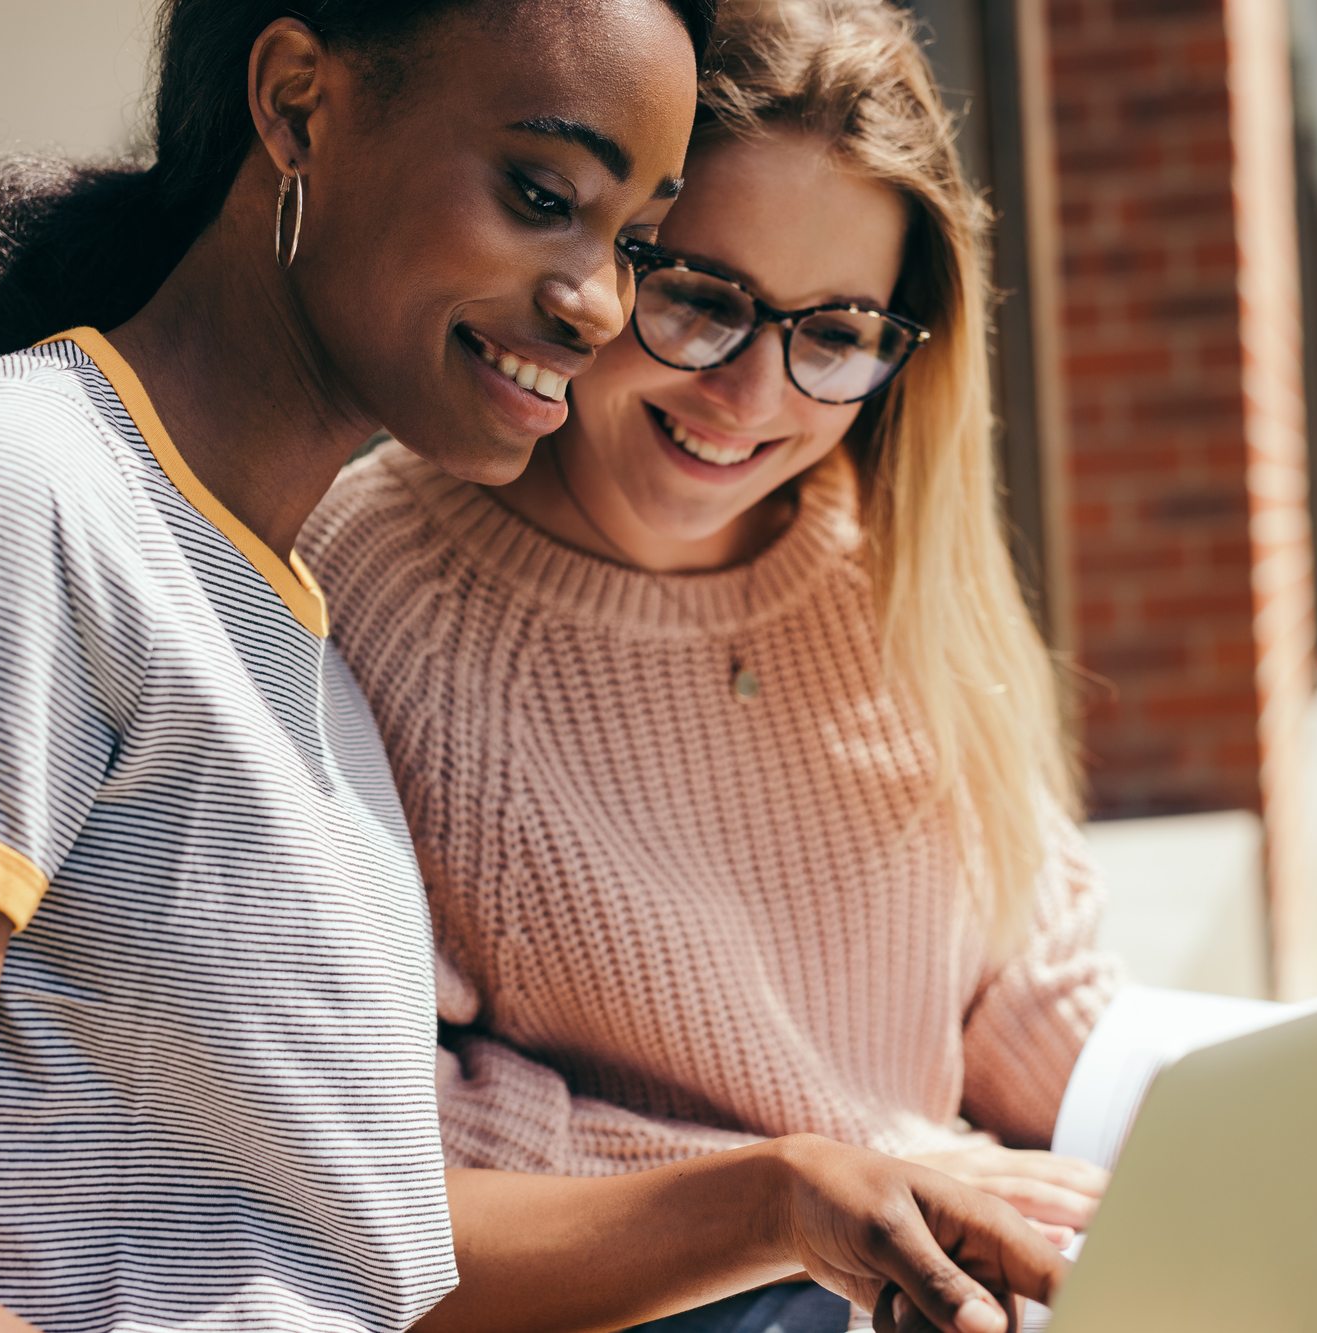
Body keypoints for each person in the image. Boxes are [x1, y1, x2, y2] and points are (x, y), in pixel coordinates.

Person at [0, 3, 1068, 1331]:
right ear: (299, 105)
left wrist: (785, 1197)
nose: (597, 303)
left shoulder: (285, 622)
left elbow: (357, 1261)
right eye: (542, 194)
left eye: (637, 240)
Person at [303, 1, 1123, 1327]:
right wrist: (823, 1188)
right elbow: (375, 1135)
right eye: (696, 299)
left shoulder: (888, 556)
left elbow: (1026, 983)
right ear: (605, 258)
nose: (751, 401)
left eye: (838, 331)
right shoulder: (382, 592)